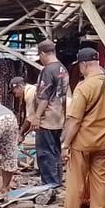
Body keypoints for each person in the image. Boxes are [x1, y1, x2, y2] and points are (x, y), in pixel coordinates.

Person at [60, 47, 105, 208]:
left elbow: (74, 120)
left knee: (75, 182)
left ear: (84, 64)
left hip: (82, 143)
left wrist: (65, 145)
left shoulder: (83, 87)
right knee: (101, 182)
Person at [23, 40, 69, 188]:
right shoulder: (63, 69)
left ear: (43, 53)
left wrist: (37, 117)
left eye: (40, 55)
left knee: (45, 153)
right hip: (59, 117)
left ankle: (49, 185)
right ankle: (56, 181)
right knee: (55, 150)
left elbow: (44, 97)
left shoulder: (48, 70)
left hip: (48, 118)